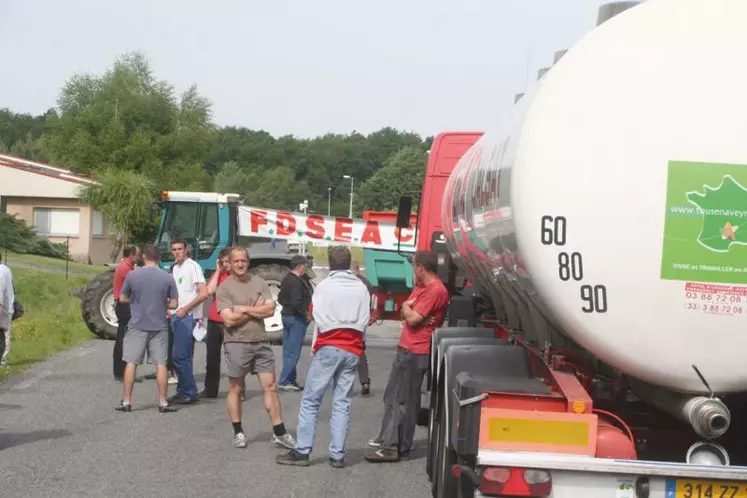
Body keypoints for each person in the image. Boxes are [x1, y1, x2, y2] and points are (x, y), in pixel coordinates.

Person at [276, 246, 370, 468]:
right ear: (348, 263)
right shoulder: (361, 287)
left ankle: (303, 450)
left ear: (329, 264)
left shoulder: (325, 287)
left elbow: (316, 315)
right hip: (353, 347)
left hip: (329, 344)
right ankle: (337, 454)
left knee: (311, 400)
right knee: (342, 402)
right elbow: (366, 317)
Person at [365, 250, 449, 463]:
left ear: (421, 267)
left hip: (416, 350)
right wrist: (407, 308)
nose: (413, 271)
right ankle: (393, 441)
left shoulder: (435, 290)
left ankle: (393, 447)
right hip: (407, 348)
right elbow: (406, 313)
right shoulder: (421, 288)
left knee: (403, 400)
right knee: (393, 397)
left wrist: (408, 309)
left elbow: (411, 319)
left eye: (414, 267)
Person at [216, 246, 296, 450]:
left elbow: (270, 309)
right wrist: (255, 310)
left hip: (261, 342)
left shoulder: (259, 282)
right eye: (236, 261)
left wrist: (242, 308)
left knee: (270, 387)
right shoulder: (224, 288)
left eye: (244, 260)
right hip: (236, 344)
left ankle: (279, 432)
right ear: (230, 264)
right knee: (235, 387)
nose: (241, 264)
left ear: (248, 262)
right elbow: (228, 320)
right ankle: (238, 432)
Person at [115, 244, 179, 413]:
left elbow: (122, 297)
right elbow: (174, 303)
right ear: (158, 258)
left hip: (137, 324)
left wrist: (136, 302)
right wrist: (163, 303)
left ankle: (127, 401)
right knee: (161, 364)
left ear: (143, 257)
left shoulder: (132, 275)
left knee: (131, 362)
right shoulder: (167, 277)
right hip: (159, 325)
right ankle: (163, 402)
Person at [168, 239, 208, 405]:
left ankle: (190, 391)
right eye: (174, 250)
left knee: (179, 356)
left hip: (187, 316)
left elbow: (204, 293)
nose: (177, 252)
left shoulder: (193, 266)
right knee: (183, 356)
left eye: (180, 249)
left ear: (186, 250)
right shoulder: (175, 268)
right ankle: (183, 390)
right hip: (176, 315)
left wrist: (187, 310)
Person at [277, 255, 313, 392]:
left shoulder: (286, 279)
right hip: (296, 319)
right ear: (299, 266)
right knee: (294, 352)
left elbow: (280, 298)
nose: (306, 269)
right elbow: (297, 302)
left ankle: (291, 379)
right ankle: (284, 380)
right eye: (305, 266)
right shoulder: (297, 282)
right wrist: (306, 314)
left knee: (288, 350)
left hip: (286, 316)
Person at [200, 247, 232, 398]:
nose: (226, 265)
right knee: (212, 358)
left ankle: (239, 389)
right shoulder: (219, 274)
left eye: (228, 262)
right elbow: (210, 291)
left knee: (233, 358)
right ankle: (210, 389)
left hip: (228, 321)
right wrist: (218, 271)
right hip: (214, 319)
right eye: (223, 262)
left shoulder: (236, 277)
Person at [112, 245, 140, 381]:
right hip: (124, 306)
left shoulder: (127, 268)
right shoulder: (125, 270)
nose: (139, 257)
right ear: (132, 255)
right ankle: (121, 372)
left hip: (123, 305)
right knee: (123, 339)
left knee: (123, 338)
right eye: (137, 255)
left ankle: (121, 371)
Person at [351, 260, 374, 396]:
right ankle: (364, 381)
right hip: (361, 321)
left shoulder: (348, 284)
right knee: (360, 351)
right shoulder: (366, 284)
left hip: (347, 321)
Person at [0, 255, 15, 367]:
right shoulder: (6, 269)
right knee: (6, 333)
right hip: (9, 303)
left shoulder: (1, 272)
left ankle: (3, 360)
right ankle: (3, 359)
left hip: (4, 306)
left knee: (5, 333)